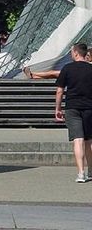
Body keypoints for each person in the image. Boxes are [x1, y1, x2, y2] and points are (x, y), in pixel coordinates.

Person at [54, 42, 92, 183]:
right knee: (89, 141)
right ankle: (91, 170)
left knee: (78, 139)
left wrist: (58, 108)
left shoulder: (67, 69)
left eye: (71, 52)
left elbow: (60, 90)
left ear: (76, 53)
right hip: (89, 107)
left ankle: (81, 173)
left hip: (72, 107)